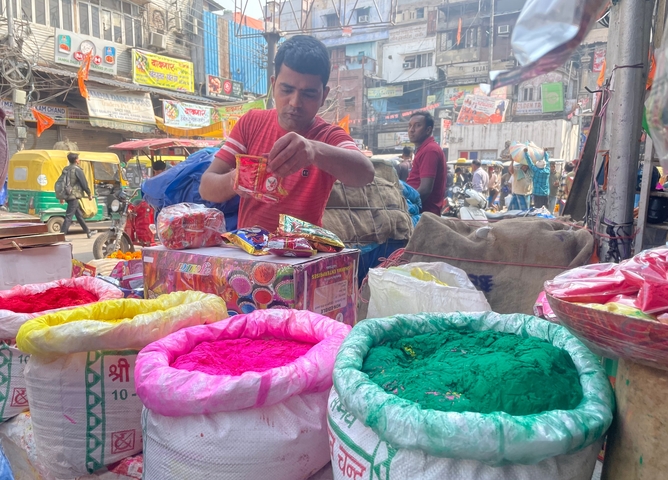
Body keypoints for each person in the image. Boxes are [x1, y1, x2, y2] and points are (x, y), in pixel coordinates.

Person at [199, 35, 374, 231]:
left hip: (302, 255)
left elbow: (365, 173)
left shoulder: (328, 136)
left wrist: (313, 150)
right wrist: (238, 178)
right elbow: (206, 187)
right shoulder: (251, 122)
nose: (295, 102)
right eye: (287, 90)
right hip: (248, 253)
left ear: (324, 95)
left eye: (308, 94)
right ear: (273, 85)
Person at [405, 111, 447, 215]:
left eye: (417, 126)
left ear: (428, 130)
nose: (411, 130)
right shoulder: (424, 149)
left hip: (423, 214)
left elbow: (425, 190)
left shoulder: (430, 150)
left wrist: (405, 206)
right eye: (410, 126)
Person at [60, 152, 97, 238]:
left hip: (67, 195)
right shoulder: (77, 170)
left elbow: (61, 183)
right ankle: (61, 236)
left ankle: (88, 232)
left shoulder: (65, 169)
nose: (79, 160)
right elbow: (84, 183)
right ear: (76, 160)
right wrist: (89, 193)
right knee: (69, 216)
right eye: (78, 158)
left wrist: (61, 196)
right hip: (74, 196)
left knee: (78, 215)